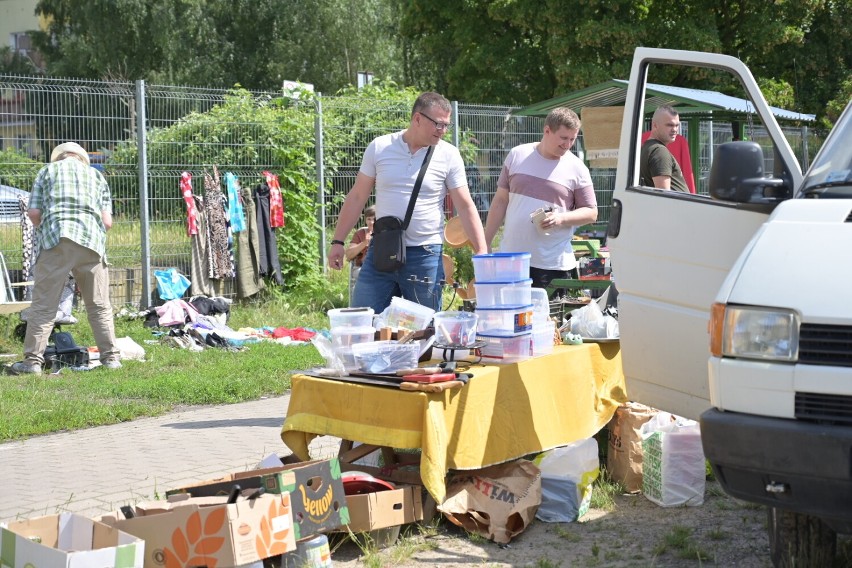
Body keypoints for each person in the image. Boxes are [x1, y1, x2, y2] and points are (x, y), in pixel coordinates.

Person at [327, 92, 487, 313]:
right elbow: (357, 197)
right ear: (417, 119)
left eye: (446, 125)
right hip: (381, 250)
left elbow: (465, 205)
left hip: (425, 254)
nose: (443, 131)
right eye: (438, 124)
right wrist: (337, 242)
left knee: (423, 332)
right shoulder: (380, 147)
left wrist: (482, 252)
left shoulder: (449, 155)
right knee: (361, 320)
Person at [9, 142, 121, 374]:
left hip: (55, 240)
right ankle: (111, 359)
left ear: (58, 157)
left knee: (43, 307)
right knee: (99, 305)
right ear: (82, 158)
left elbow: (33, 213)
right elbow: (107, 222)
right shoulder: (96, 176)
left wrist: (45, 230)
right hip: (91, 243)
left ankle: (32, 363)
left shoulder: (47, 171)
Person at [484, 107, 598, 291]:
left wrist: (560, 218)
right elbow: (500, 201)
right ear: (547, 130)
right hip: (511, 259)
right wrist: (485, 242)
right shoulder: (517, 155)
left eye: (572, 139)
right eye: (563, 138)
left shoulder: (577, 168)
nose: (568, 144)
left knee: (548, 320)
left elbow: (591, 213)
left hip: (551, 265)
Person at [640, 105, 690, 193]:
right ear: (655, 125)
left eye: (677, 125)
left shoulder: (648, 147)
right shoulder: (659, 151)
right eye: (669, 125)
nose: (674, 129)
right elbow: (664, 195)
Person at [344, 205, 376, 306]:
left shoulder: (385, 233)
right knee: (363, 273)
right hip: (362, 267)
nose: (371, 222)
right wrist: (364, 243)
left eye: (374, 219)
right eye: (369, 219)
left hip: (380, 267)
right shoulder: (360, 233)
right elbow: (349, 255)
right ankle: (359, 305)